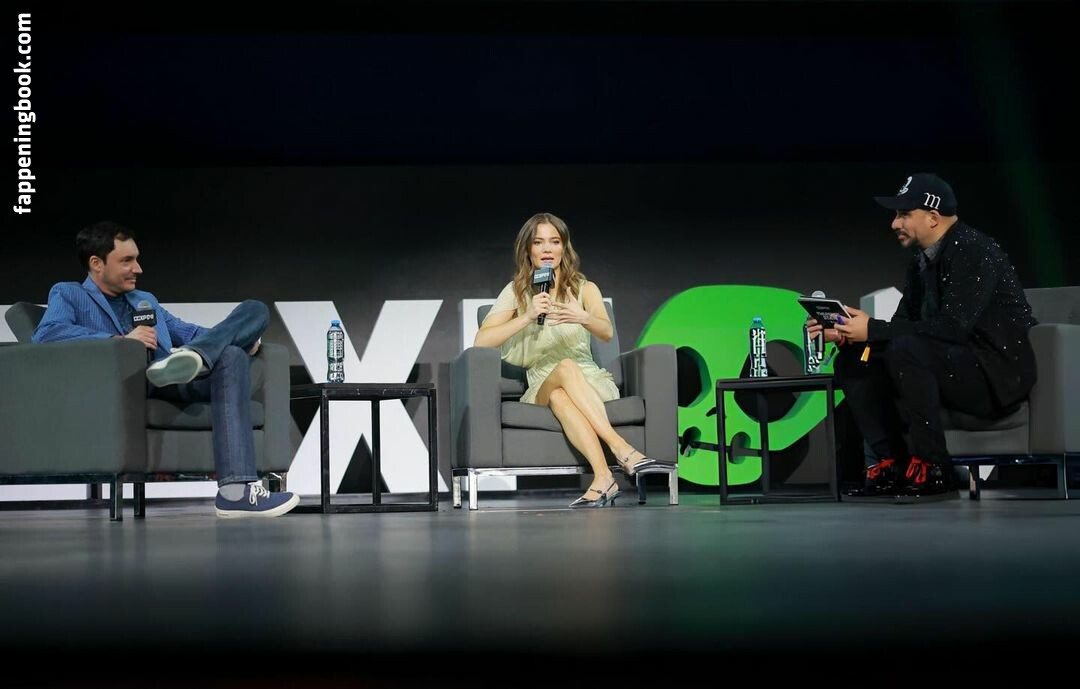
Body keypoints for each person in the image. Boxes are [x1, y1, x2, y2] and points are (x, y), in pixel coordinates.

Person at [33, 221, 299, 518]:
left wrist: (242, 336)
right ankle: (237, 492)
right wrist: (120, 341)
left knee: (251, 317)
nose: (138, 269)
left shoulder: (145, 300)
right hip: (131, 383)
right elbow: (47, 333)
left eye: (137, 259)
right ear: (97, 263)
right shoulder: (68, 293)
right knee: (230, 351)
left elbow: (189, 331)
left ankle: (233, 494)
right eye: (127, 261)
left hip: (173, 376)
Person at [808, 174, 1037, 497]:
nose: (894, 224)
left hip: (994, 376)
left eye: (904, 214)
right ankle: (890, 466)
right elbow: (901, 325)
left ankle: (934, 468)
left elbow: (953, 328)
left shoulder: (973, 249)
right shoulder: (921, 263)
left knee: (905, 349)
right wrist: (852, 331)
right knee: (855, 359)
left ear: (932, 217)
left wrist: (873, 329)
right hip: (946, 365)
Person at [474, 212, 663, 508]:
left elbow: (606, 332)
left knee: (562, 394)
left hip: (590, 382)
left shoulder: (585, 288)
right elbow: (482, 341)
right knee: (563, 370)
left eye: (554, 241)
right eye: (539, 242)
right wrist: (527, 316)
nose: (547, 249)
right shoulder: (516, 291)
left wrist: (583, 317)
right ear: (528, 250)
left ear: (564, 247)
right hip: (541, 383)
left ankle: (604, 478)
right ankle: (621, 448)